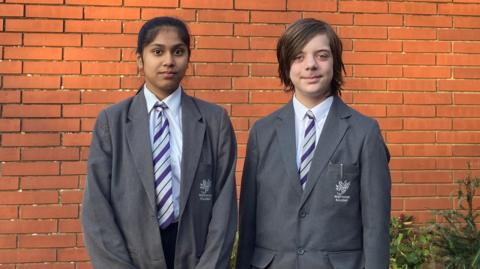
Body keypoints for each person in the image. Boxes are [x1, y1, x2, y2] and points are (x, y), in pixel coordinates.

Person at [81, 16, 237, 269]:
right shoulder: (112, 121)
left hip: (196, 256)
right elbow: (96, 208)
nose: (169, 61)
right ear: (140, 59)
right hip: (133, 256)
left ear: (188, 56)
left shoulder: (213, 121)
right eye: (157, 51)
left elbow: (224, 206)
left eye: (178, 51)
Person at [236, 18, 391, 269]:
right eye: (299, 57)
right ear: (286, 65)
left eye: (322, 55)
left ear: (335, 62)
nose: (311, 65)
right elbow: (249, 220)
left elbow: (376, 225)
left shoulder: (364, 132)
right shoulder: (262, 133)